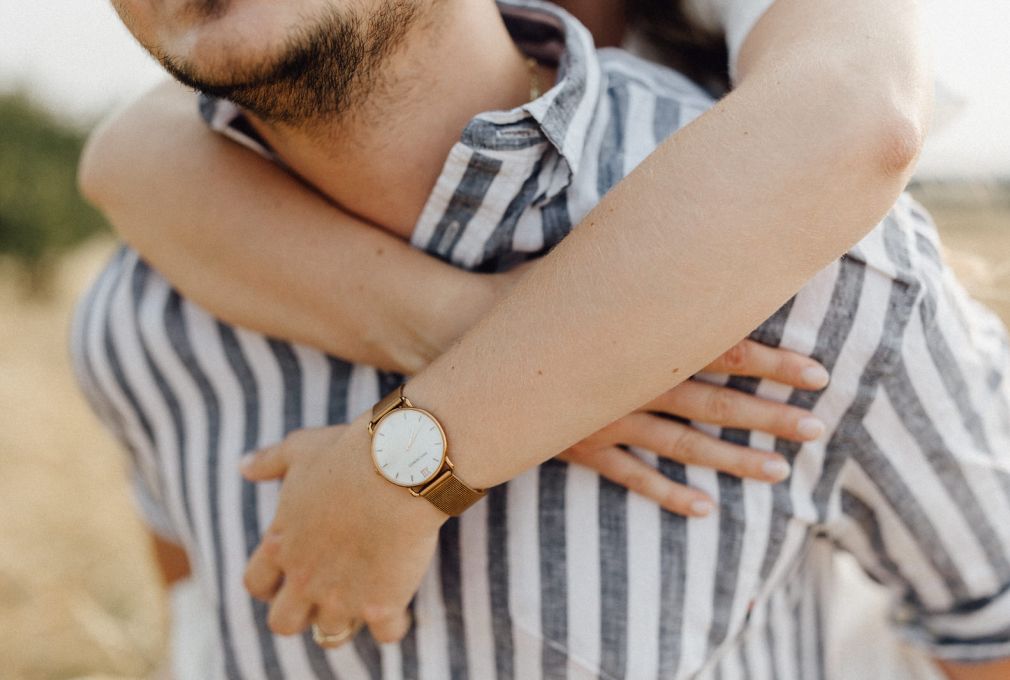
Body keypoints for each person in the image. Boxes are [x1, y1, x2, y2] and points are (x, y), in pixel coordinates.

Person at [71, 1, 1010, 679]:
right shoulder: (145, 319)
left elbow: (857, 113)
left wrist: (402, 466)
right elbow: (196, 617)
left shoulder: (812, 265)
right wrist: (522, 358)